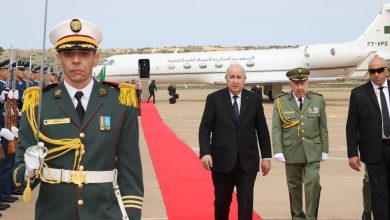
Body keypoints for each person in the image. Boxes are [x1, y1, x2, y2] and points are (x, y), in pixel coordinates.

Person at [12, 18, 144, 220]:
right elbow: (18, 176)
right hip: (55, 214)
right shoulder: (38, 104)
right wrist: (30, 170)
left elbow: (130, 168)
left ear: (96, 58)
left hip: (105, 214)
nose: (76, 60)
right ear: (58, 58)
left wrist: (132, 215)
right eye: (68, 54)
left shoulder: (119, 102)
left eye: (84, 54)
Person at [199, 64, 272, 220]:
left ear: (244, 80)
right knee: (222, 203)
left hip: (247, 161)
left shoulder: (254, 99)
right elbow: (205, 128)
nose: (235, 81)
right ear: (226, 79)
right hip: (221, 161)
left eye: (239, 77)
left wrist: (266, 156)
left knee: (246, 201)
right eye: (231, 77)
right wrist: (205, 153)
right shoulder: (214, 99)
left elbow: (262, 129)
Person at [272, 67, 329, 220]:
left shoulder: (318, 99)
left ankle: (311, 217)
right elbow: (276, 128)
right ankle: (297, 217)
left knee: (313, 185)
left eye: (303, 83)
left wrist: (325, 148)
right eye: (296, 84)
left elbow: (323, 127)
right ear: (290, 83)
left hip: (313, 151)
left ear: (307, 83)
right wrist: (278, 149)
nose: (299, 87)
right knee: (294, 188)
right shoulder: (280, 102)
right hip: (291, 151)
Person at [346, 56, 390, 220]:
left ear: (386, 70)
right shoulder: (358, 94)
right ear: (369, 73)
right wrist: (352, 153)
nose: (376, 74)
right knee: (378, 192)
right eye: (372, 71)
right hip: (374, 150)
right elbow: (352, 126)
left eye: (380, 70)